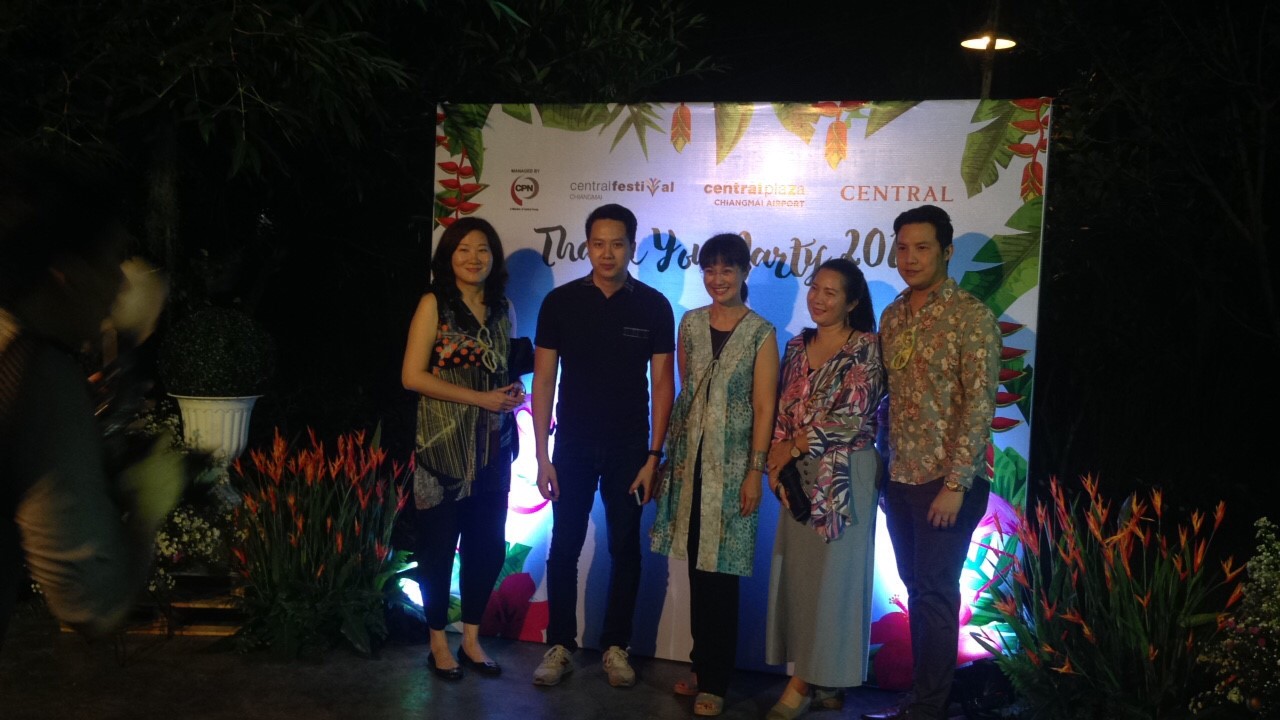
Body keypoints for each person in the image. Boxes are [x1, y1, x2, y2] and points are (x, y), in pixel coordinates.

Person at [1, 148, 187, 648]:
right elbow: (91, 603)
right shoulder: (36, 374)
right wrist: (148, 507)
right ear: (66, 272)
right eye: (111, 262)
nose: (120, 286)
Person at [862, 205, 1001, 720]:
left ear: (946, 252)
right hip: (900, 477)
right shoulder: (893, 314)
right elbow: (886, 398)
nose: (910, 257)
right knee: (917, 590)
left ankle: (928, 707)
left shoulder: (971, 317)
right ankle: (923, 699)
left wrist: (957, 484)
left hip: (947, 481)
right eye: (903, 248)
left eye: (922, 247)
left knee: (937, 593)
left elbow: (979, 406)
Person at [530, 203, 675, 687]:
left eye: (617, 244)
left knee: (626, 548)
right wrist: (542, 455)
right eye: (598, 243)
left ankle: (616, 646)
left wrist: (654, 455)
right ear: (587, 246)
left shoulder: (653, 305)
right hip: (571, 443)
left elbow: (663, 385)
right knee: (564, 545)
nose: (607, 253)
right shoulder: (561, 303)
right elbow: (543, 380)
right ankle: (560, 645)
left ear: (632, 247)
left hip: (630, 447)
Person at [650, 233, 778, 716]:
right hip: (690, 467)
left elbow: (764, 406)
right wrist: (667, 457)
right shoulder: (690, 323)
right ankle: (701, 666)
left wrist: (754, 472)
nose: (717, 279)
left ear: (744, 273)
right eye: (709, 270)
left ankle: (717, 682)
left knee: (722, 575)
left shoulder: (761, 332)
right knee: (697, 572)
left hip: (733, 470)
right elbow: (687, 394)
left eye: (727, 269)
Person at [401, 216, 524, 681]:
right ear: (448, 256)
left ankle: (471, 640)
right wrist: (480, 398)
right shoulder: (434, 304)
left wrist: (510, 392)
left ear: (494, 257)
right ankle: (437, 642)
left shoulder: (504, 307)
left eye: (483, 250)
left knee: (487, 547)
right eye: (464, 250)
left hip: (493, 449)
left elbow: (503, 368)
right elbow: (412, 376)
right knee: (437, 548)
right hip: (442, 451)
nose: (474, 258)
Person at [764, 258, 886, 720]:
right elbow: (782, 408)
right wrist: (776, 462)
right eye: (815, 288)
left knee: (836, 581)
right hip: (797, 476)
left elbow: (853, 417)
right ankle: (827, 679)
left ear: (852, 302)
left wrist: (793, 446)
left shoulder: (867, 347)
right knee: (801, 580)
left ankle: (801, 685)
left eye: (830, 292)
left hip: (845, 474)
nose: (818, 298)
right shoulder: (797, 345)